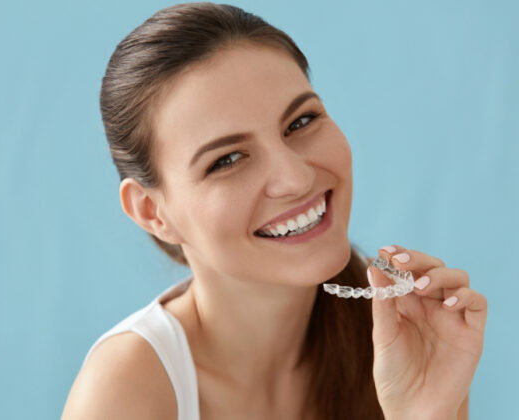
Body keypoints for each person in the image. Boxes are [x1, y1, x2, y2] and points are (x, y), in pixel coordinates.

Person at [61, 3, 487, 419]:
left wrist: (426, 414)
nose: (296, 178)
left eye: (300, 122)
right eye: (227, 160)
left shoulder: (403, 342)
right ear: (152, 212)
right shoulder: (124, 391)